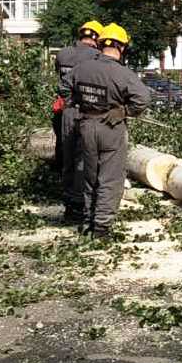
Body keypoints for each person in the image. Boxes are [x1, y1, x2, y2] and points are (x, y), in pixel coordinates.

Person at [61, 22, 151, 235]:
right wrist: (124, 111)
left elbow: (64, 88)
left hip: (85, 126)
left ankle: (88, 221)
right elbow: (143, 99)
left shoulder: (82, 68)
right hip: (111, 128)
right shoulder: (122, 73)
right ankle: (101, 226)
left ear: (101, 45)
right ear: (121, 47)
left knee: (89, 176)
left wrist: (78, 102)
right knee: (110, 178)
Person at [54, 20, 104, 213]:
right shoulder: (97, 57)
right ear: (97, 38)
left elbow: (60, 80)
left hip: (65, 110)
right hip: (86, 111)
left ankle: (67, 199)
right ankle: (79, 201)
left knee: (66, 154)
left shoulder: (63, 53)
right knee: (83, 157)